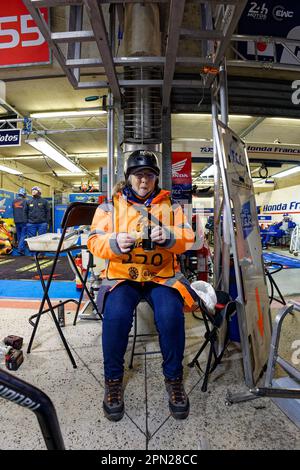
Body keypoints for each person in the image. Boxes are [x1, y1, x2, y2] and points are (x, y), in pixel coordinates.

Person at [87, 150, 197, 422]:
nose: (144, 180)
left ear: (156, 178)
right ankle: (113, 381)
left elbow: (189, 239)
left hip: (161, 276)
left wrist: (169, 237)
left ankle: (174, 379)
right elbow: (93, 241)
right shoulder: (108, 207)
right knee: (115, 316)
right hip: (124, 276)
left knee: (171, 316)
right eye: (138, 175)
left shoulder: (172, 206)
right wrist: (113, 243)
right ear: (128, 178)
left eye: (149, 175)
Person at [12, 188, 27, 255]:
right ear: (24, 194)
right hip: (23, 220)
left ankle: (20, 247)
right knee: (23, 235)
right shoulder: (25, 201)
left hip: (16, 220)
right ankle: (20, 249)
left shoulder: (14, 201)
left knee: (19, 235)